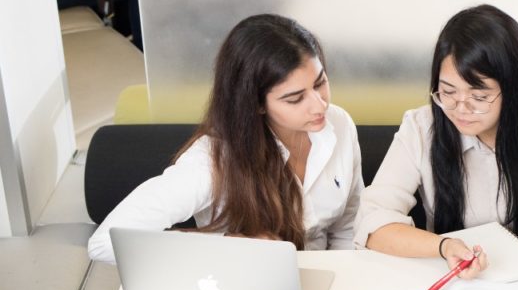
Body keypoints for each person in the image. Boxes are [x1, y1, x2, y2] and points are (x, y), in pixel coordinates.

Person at [354, 4, 518, 278]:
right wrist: (444, 246)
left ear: (513, 88)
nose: (460, 109)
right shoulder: (421, 127)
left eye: (479, 97)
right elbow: (373, 223)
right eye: (447, 92)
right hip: (455, 278)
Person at [88, 14, 363, 264]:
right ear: (256, 104)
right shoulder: (211, 162)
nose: (319, 106)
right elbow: (103, 244)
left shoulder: (339, 124)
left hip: (324, 283)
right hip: (241, 285)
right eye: (295, 98)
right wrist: (226, 244)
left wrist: (341, 279)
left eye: (320, 83)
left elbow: (346, 228)